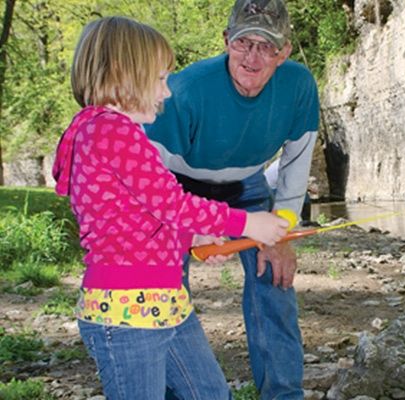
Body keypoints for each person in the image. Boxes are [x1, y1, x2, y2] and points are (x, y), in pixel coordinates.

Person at [52, 16, 289, 400]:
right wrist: (246, 223)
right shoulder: (110, 130)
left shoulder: (102, 132)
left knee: (211, 393)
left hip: (166, 300)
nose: (166, 93)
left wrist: (191, 237)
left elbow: (130, 217)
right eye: (160, 79)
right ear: (121, 73)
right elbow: (170, 202)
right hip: (126, 311)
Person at [145, 0, 319, 398]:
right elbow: (149, 176)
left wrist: (283, 233)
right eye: (244, 43)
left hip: (247, 185)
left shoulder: (299, 87)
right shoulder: (185, 91)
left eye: (267, 46)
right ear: (226, 41)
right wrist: (190, 231)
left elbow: (296, 166)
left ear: (285, 52)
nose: (253, 57)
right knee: (165, 287)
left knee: (275, 276)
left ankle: (283, 393)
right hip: (177, 187)